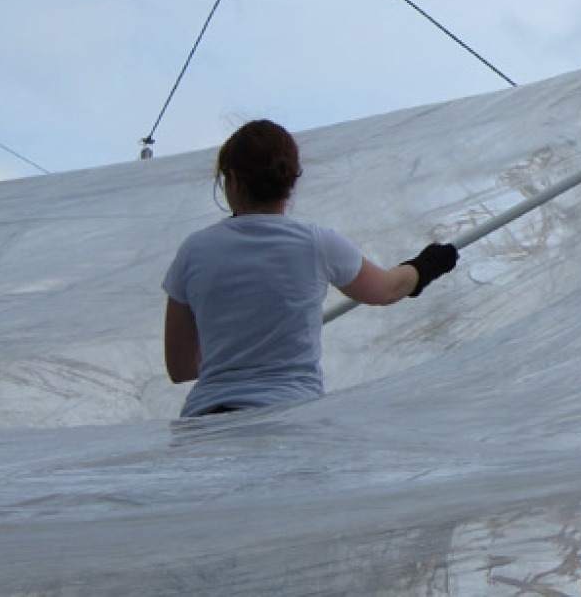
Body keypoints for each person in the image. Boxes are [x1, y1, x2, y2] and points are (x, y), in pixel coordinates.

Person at [163, 119, 458, 417]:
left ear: (233, 180)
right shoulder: (316, 244)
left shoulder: (194, 250)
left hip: (208, 424)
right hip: (289, 418)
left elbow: (180, 367)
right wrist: (428, 264)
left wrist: (230, 354)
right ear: (291, 182)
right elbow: (388, 289)